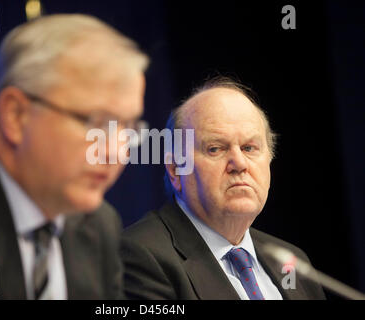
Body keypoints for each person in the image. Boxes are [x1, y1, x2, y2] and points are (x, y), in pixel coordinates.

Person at [0, 14, 148, 299]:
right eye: (96, 123)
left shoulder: (99, 224)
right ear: (16, 115)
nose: (116, 151)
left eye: (127, 127)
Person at [121, 76, 326, 300]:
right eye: (215, 149)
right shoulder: (138, 256)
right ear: (175, 170)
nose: (239, 163)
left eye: (249, 148)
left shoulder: (292, 262)